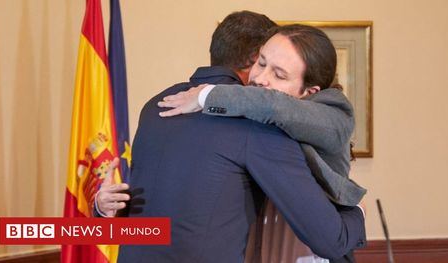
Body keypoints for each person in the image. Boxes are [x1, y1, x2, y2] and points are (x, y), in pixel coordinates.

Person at [96, 12, 366, 263]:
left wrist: (102, 211)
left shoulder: (156, 105)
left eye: (279, 73)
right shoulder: (256, 126)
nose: (262, 80)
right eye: (262, 63)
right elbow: (331, 239)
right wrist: (359, 213)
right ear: (253, 59)